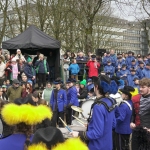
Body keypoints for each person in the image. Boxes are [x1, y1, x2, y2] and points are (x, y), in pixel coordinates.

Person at [70, 75, 118, 150]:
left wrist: (79, 134)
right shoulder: (111, 101)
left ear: (96, 87)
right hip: (108, 144)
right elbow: (113, 124)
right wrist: (91, 125)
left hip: (97, 146)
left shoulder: (98, 106)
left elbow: (97, 133)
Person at [130, 78, 150, 149]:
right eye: (140, 87)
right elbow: (133, 114)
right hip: (137, 131)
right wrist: (131, 122)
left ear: (149, 88)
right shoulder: (136, 99)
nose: (140, 89)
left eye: (143, 87)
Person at [115, 86, 134, 150]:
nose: (121, 94)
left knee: (120, 147)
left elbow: (121, 118)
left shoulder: (123, 105)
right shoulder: (131, 102)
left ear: (126, 96)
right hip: (128, 129)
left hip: (121, 130)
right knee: (126, 147)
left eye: (122, 93)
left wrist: (113, 123)